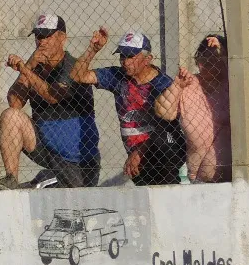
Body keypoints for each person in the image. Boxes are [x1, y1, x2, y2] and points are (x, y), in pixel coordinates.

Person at [0, 13, 101, 189]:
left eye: (47, 36)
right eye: (38, 36)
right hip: (46, 149)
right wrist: (30, 65)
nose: (41, 42)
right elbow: (15, 103)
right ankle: (11, 179)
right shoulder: (35, 67)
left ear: (62, 38)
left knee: (55, 191)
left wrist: (25, 70)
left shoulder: (72, 67)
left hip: (77, 161)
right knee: (10, 116)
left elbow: (52, 96)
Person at [70, 28, 184, 186]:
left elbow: (167, 128)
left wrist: (139, 152)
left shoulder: (162, 84)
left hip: (163, 152)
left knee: (162, 147)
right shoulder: (119, 77)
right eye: (122, 56)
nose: (125, 61)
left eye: (131, 56)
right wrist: (93, 50)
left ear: (147, 59)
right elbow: (78, 76)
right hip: (136, 156)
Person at [177, 34, 231, 183]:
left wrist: (222, 51)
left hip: (236, 174)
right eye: (202, 59)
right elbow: (165, 113)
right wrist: (176, 87)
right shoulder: (188, 84)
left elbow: (237, 70)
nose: (204, 65)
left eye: (212, 58)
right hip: (200, 177)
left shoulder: (231, 83)